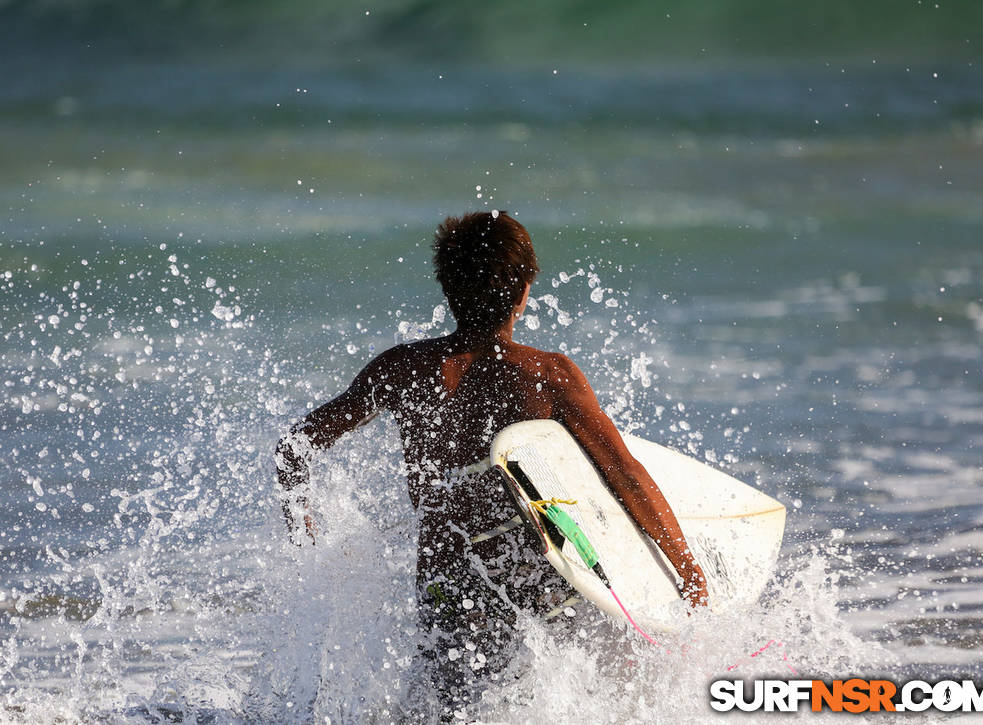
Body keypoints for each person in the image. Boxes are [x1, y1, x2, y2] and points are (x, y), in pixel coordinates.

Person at [274, 210, 708, 716]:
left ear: (447, 289)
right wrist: (689, 574)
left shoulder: (402, 369)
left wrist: (305, 529)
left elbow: (294, 448)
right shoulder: (548, 375)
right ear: (524, 291)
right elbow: (626, 477)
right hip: (535, 573)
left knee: (443, 704)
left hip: (445, 571)